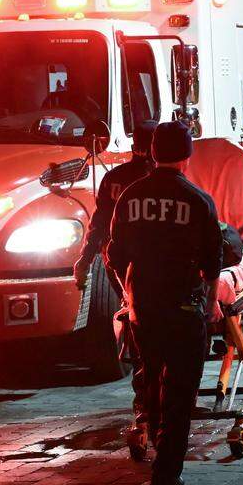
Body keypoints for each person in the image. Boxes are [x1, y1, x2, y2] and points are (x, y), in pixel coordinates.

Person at [106, 121, 222, 485]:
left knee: (152, 378)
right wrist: (208, 301)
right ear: (187, 156)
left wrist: (128, 295)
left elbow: (114, 253)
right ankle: (166, 474)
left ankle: (157, 445)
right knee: (181, 390)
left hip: (144, 307)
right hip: (184, 306)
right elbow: (212, 260)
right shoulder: (197, 199)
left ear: (153, 152)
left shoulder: (130, 196)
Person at [74, 118, 157, 444]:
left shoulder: (114, 179)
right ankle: (162, 402)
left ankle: (144, 406)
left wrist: (84, 259)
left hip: (124, 271)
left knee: (139, 336)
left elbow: (99, 225)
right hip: (162, 274)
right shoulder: (168, 181)